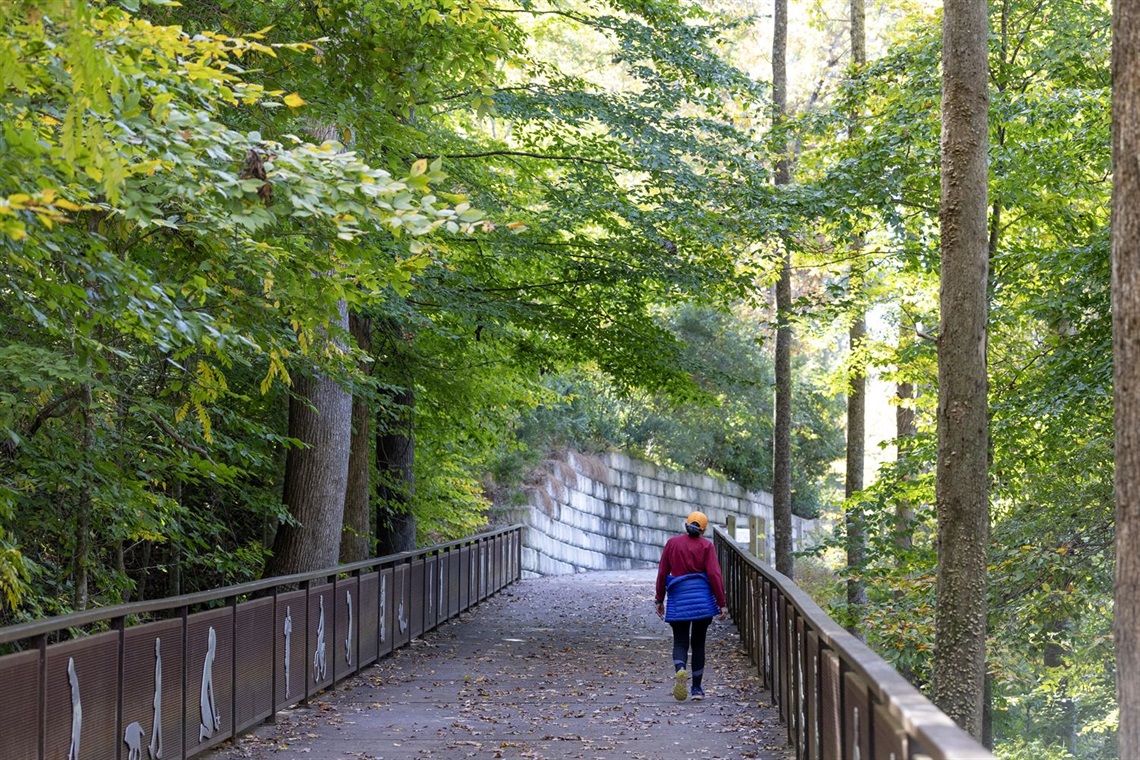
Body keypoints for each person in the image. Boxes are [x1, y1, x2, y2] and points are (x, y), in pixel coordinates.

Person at [654, 511, 728, 701]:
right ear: (703, 530)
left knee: (680, 641)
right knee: (698, 644)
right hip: (702, 601)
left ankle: (680, 669)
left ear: (686, 525)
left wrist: (659, 599)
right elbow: (714, 575)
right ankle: (696, 689)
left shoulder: (672, 543)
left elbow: (663, 572)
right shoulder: (706, 546)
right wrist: (722, 603)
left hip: (679, 599)